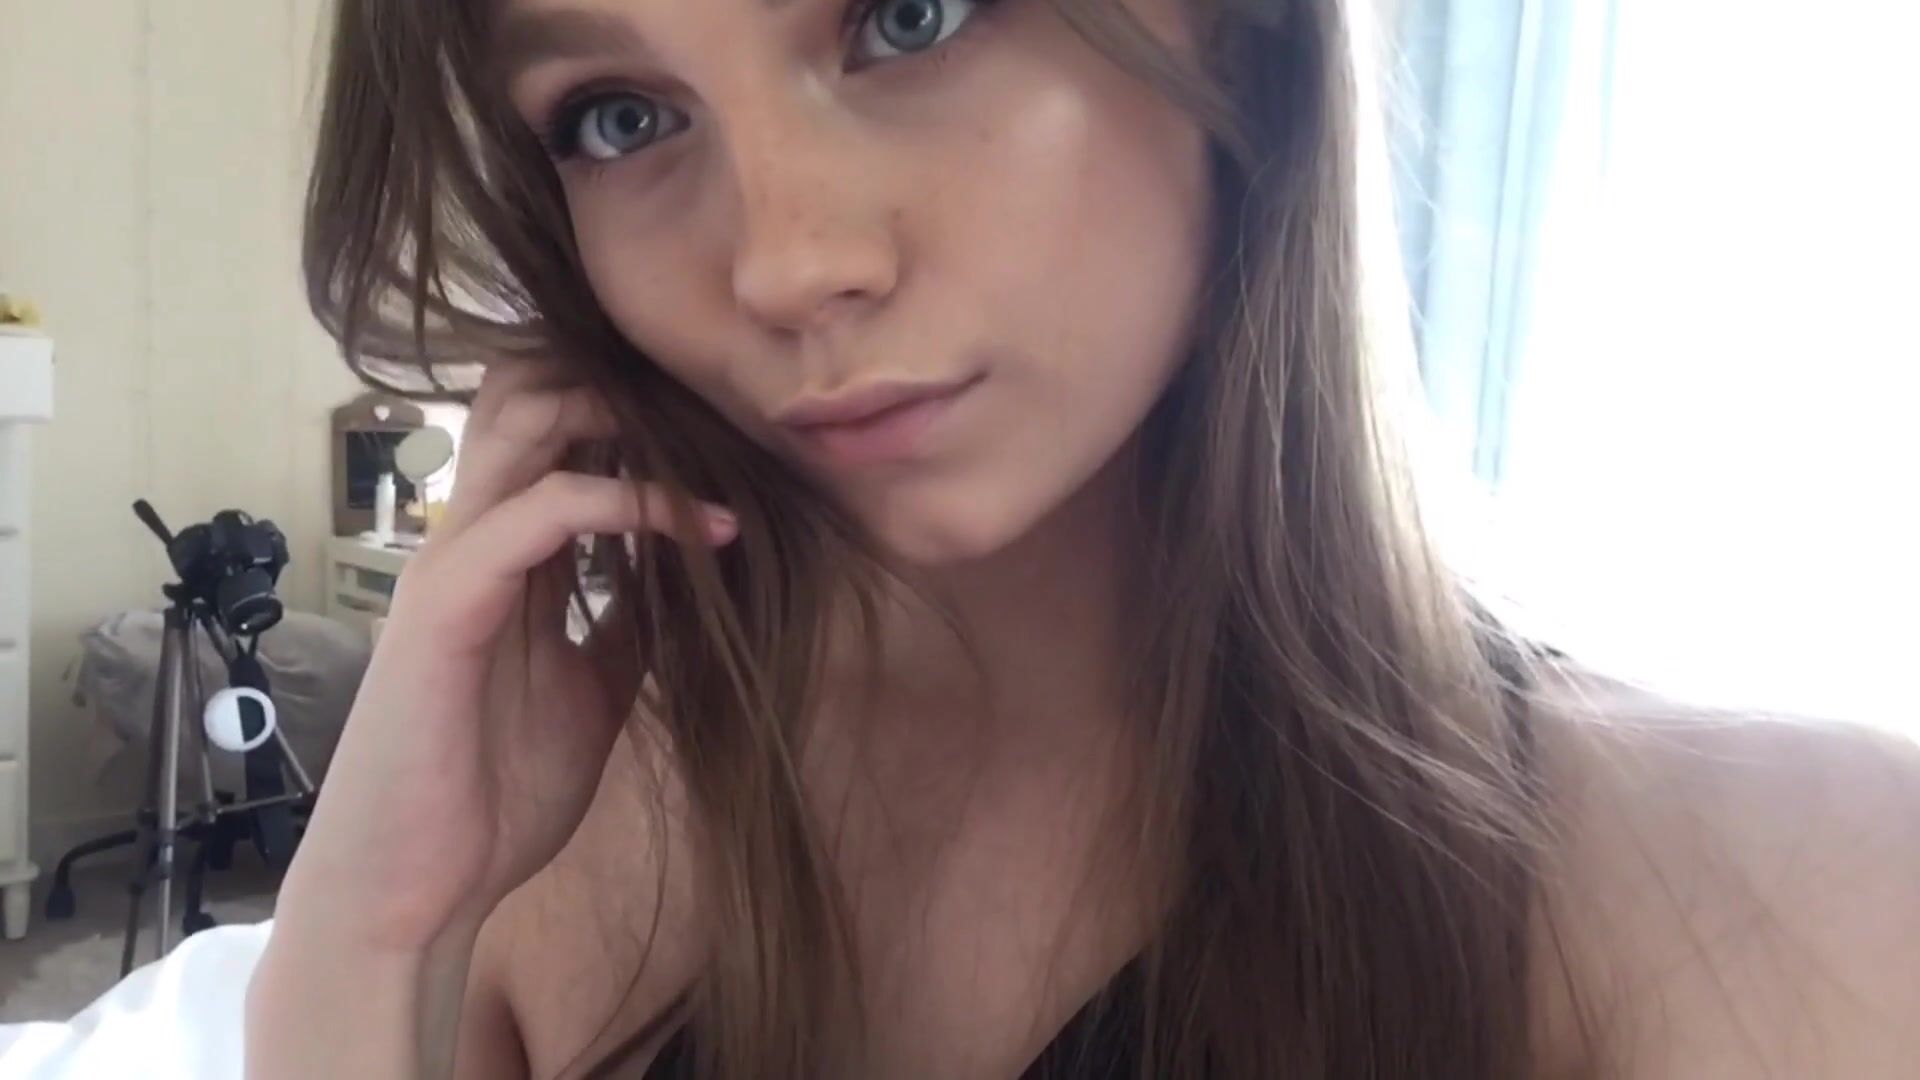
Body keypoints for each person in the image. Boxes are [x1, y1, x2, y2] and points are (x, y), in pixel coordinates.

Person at [246, 0, 1920, 1076]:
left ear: (1238, 36)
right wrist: (365, 935)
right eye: (622, 116)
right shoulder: (564, 857)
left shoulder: (1791, 888)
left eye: (909, 16)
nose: (785, 262)